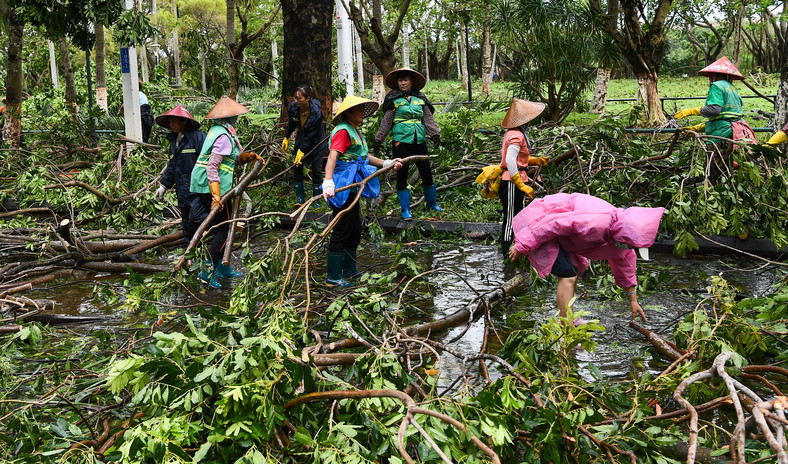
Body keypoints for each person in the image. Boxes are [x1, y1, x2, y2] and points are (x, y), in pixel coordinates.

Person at [507, 193, 664, 323]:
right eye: (633, 246)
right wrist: (522, 245)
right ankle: (566, 328)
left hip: (560, 236)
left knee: (572, 273)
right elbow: (553, 223)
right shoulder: (596, 222)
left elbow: (626, 266)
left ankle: (571, 320)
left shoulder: (622, 238)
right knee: (568, 275)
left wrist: (633, 301)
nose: (631, 249)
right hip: (539, 222)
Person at [322, 95, 402, 287]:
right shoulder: (342, 131)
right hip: (343, 184)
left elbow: (364, 156)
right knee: (342, 228)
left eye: (363, 109)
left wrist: (386, 163)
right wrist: (328, 181)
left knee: (354, 228)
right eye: (358, 109)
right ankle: (333, 276)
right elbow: (333, 157)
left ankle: (350, 269)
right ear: (347, 113)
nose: (361, 113)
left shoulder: (355, 132)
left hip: (355, 183)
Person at [189, 96, 263, 288]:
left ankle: (222, 269)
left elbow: (231, 160)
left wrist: (249, 157)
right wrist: (216, 196)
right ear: (230, 118)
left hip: (205, 185)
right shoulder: (223, 136)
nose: (238, 118)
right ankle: (208, 271)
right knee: (224, 229)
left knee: (223, 227)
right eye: (236, 116)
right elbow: (212, 167)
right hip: (212, 187)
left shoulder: (217, 131)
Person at [373, 68, 442, 219]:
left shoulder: (420, 99)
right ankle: (405, 210)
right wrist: (379, 139)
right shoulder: (393, 99)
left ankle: (432, 203)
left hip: (419, 140)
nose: (403, 83)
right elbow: (386, 122)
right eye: (400, 80)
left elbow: (428, 118)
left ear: (411, 82)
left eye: (406, 80)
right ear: (397, 83)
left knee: (426, 172)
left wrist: (435, 134)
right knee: (402, 175)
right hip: (401, 141)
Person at [499, 98, 549, 254]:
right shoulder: (517, 136)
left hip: (517, 179)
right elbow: (509, 161)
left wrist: (535, 161)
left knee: (519, 215)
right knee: (510, 218)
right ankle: (507, 253)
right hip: (511, 182)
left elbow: (518, 159)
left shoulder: (515, 133)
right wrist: (519, 184)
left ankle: (518, 249)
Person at [674, 56, 756, 148]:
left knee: (715, 161)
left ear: (713, 75)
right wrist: (696, 128)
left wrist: (691, 111)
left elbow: (714, 110)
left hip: (721, 136)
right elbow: (726, 118)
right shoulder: (732, 88)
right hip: (737, 132)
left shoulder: (716, 86)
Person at [154, 104, 206, 242]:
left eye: (174, 121)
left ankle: (209, 250)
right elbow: (172, 166)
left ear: (184, 121)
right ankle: (190, 257)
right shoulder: (174, 141)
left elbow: (208, 163)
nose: (171, 124)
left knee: (198, 219)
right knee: (187, 225)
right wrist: (163, 186)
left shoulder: (198, 138)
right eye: (169, 121)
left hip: (198, 192)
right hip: (182, 192)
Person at [282, 84, 328, 206]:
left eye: (299, 98)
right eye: (295, 98)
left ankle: (316, 200)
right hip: (302, 139)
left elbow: (310, 135)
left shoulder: (316, 113)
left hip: (317, 142)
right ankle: (300, 199)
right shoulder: (293, 107)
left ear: (308, 98)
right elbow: (292, 123)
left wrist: (301, 150)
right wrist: (286, 137)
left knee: (316, 170)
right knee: (297, 166)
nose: (295, 100)